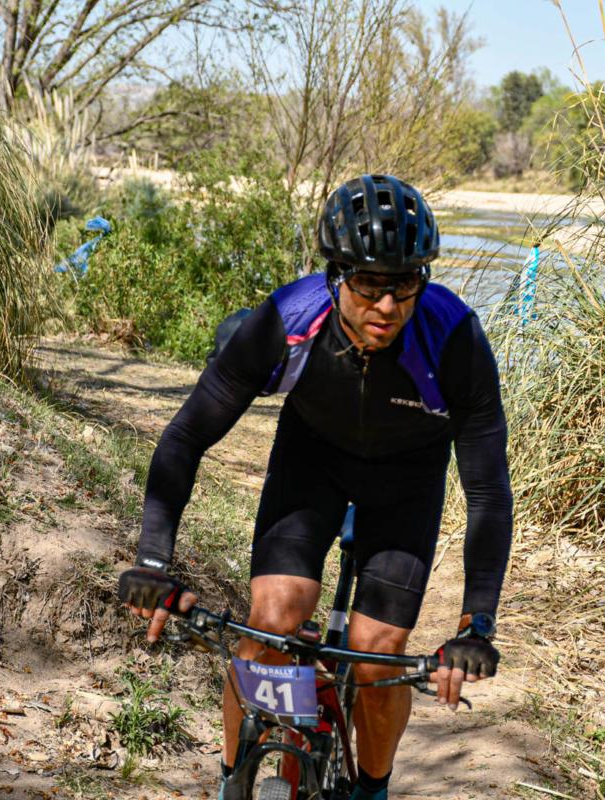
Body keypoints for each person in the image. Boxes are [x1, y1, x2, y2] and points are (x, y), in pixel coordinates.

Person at [117, 174, 513, 800]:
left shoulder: (455, 339)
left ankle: (371, 790)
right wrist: (152, 561)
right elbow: (186, 436)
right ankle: (234, 782)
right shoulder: (289, 317)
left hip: (407, 480)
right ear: (335, 275)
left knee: (377, 654)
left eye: (406, 283)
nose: (388, 306)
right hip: (312, 462)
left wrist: (476, 625)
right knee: (272, 622)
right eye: (370, 284)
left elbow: (487, 490)